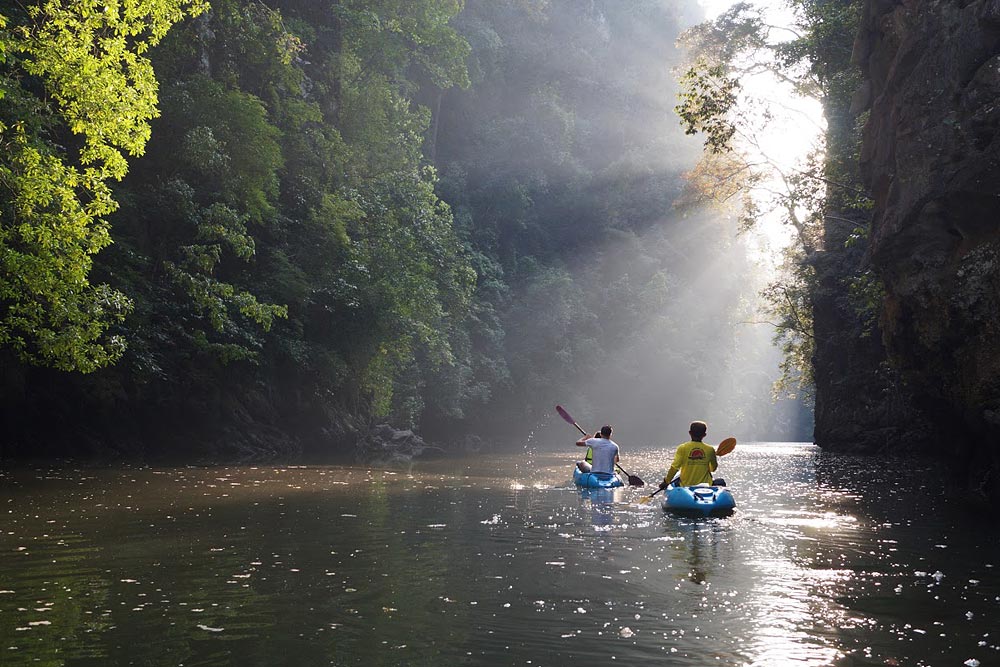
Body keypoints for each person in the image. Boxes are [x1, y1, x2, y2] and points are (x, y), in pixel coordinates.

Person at [659, 421, 723, 490]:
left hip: (686, 486)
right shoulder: (710, 450)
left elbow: (674, 467)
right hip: (706, 485)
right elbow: (713, 469)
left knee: (675, 483)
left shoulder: (682, 448)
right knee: (721, 482)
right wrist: (709, 458)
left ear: (690, 433)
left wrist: (666, 481)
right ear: (704, 435)